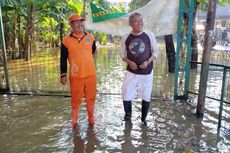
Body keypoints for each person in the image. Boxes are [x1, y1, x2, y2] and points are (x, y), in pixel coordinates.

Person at [120, 12, 159, 125]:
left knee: (146, 94)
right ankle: (127, 117)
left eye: (141, 20)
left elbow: (156, 52)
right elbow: (123, 54)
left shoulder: (149, 35)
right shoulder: (126, 37)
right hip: (131, 71)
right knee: (126, 92)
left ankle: (143, 119)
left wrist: (147, 61)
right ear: (130, 23)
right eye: (137, 21)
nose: (140, 23)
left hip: (146, 72)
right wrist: (129, 62)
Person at [60, 14, 97, 128]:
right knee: (76, 99)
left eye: (81, 22)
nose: (80, 24)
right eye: (77, 22)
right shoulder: (66, 40)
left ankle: (91, 119)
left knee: (91, 98)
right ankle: (75, 119)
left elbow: (93, 52)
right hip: (75, 76)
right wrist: (63, 74)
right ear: (71, 24)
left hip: (91, 74)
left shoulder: (90, 37)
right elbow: (63, 58)